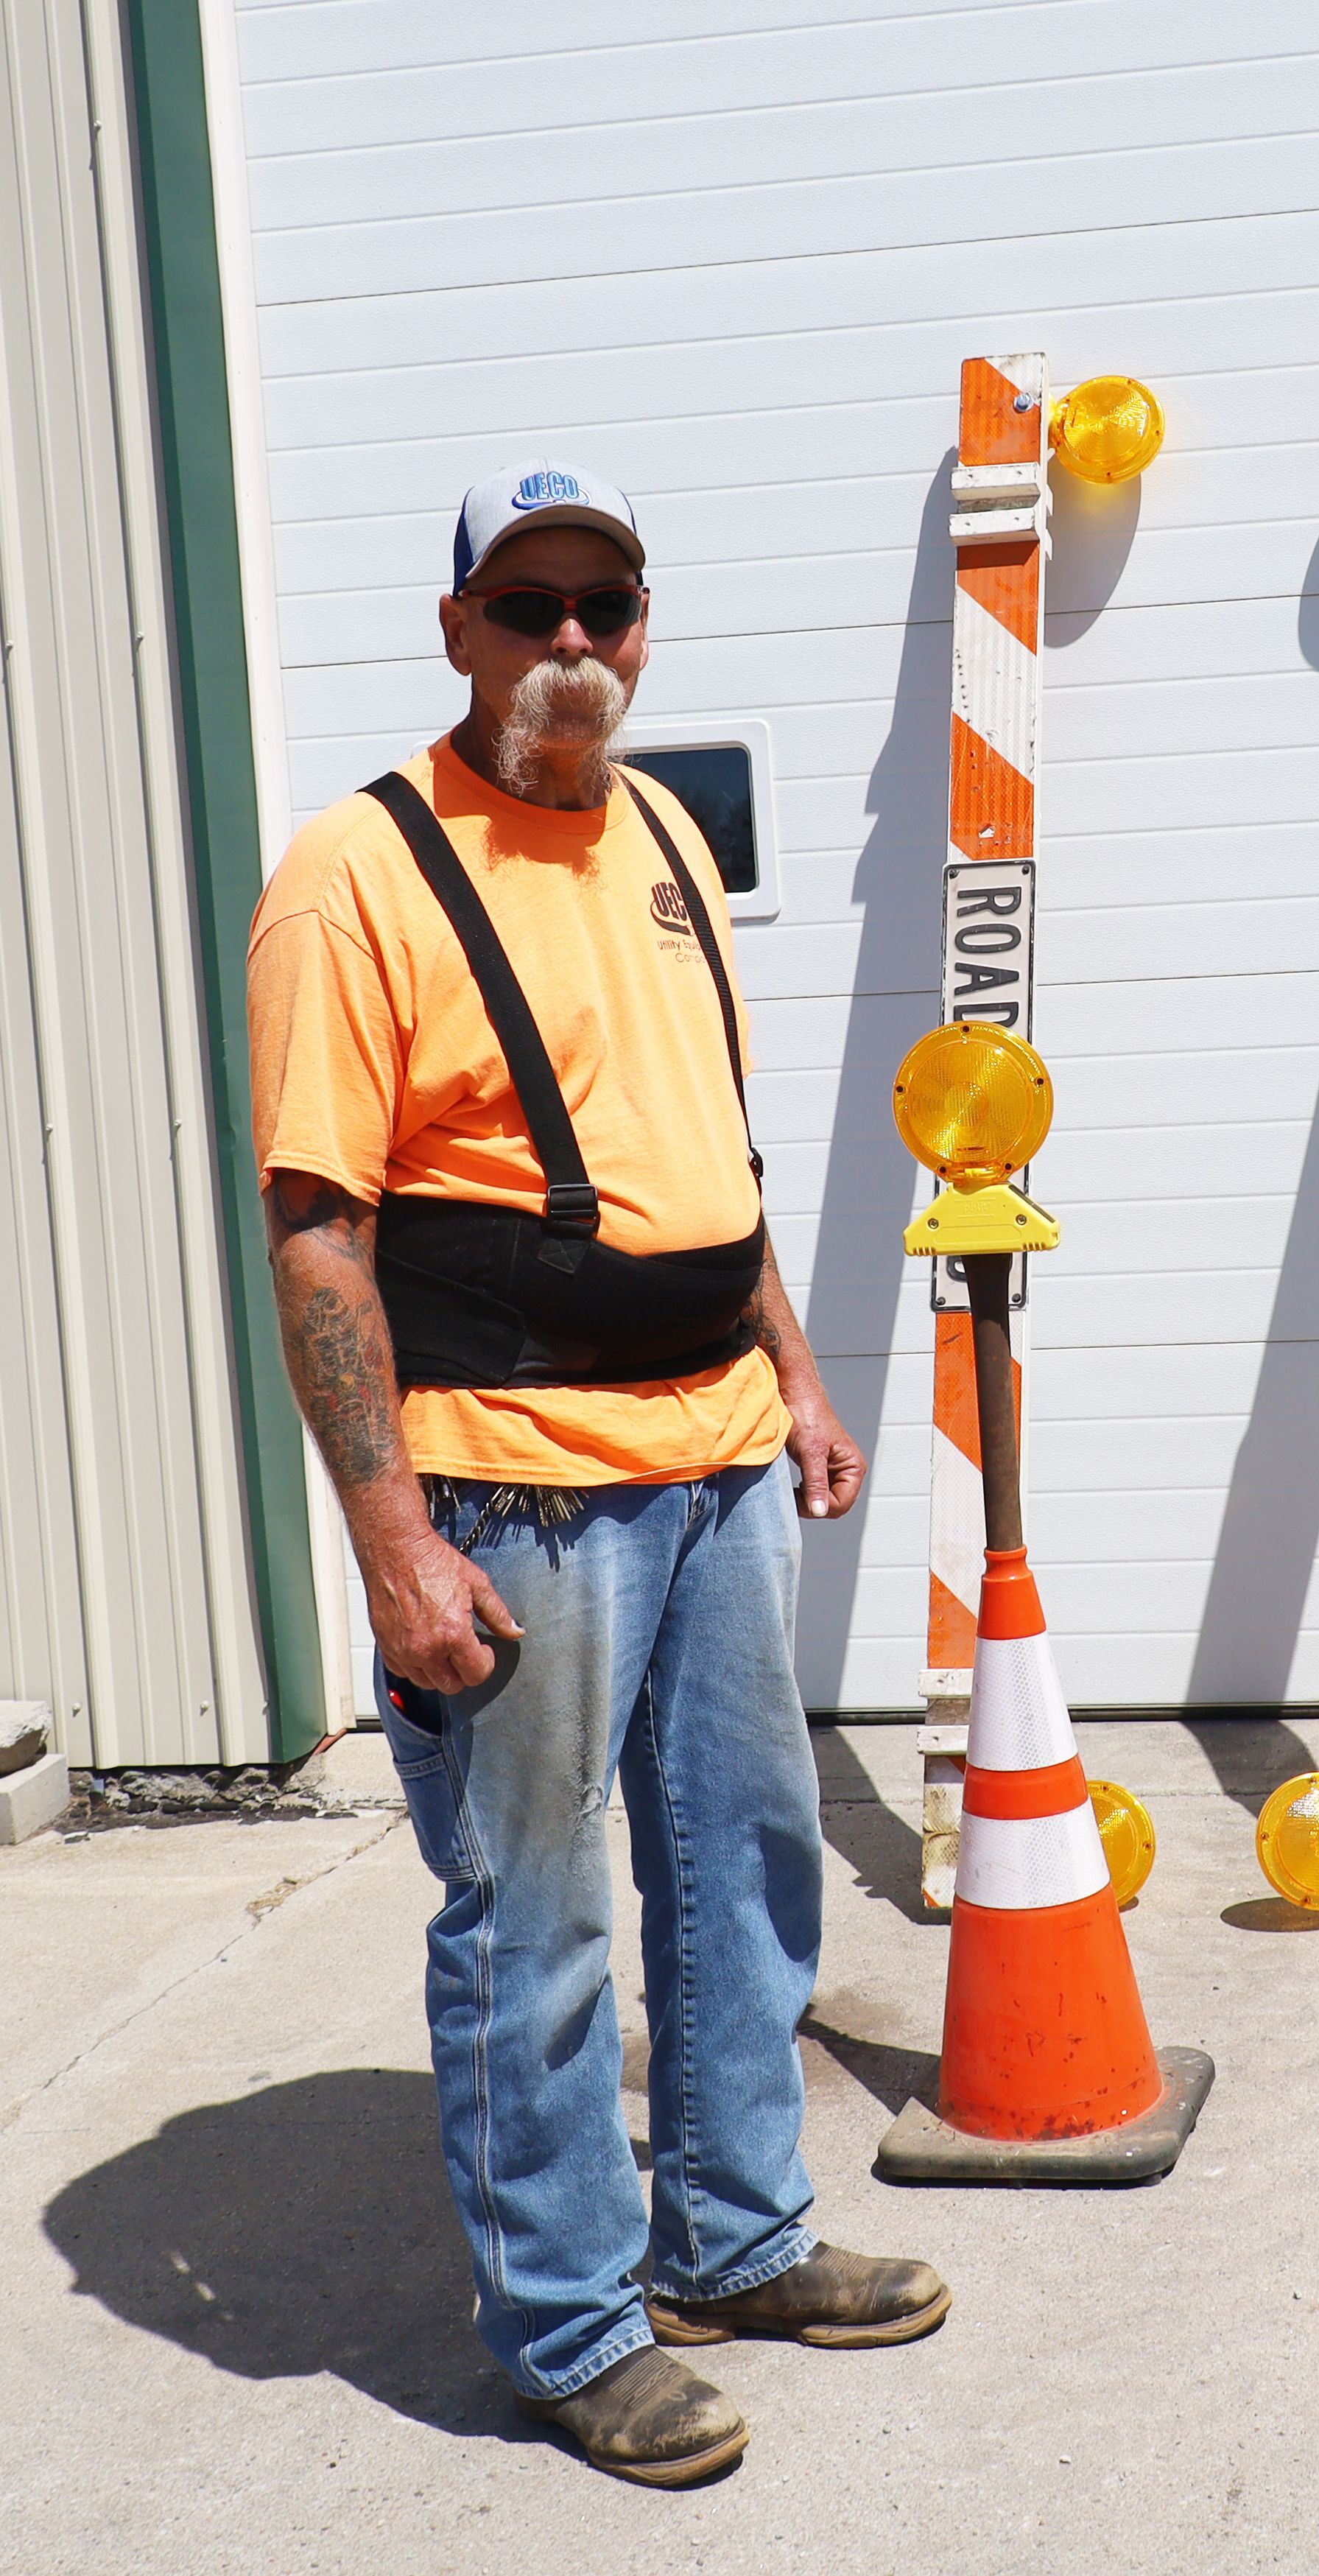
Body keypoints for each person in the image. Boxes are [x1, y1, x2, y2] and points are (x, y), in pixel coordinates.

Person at [246, 462, 944, 2488]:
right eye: (529, 606)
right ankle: (566, 2323)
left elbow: (696, 1150)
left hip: (717, 1452)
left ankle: (735, 2235)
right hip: (510, 1481)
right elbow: (314, 1229)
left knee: (743, 1865)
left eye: (604, 610)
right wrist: (389, 1534)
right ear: (457, 625)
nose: (571, 645)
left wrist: (794, 1371)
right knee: (533, 1917)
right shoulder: (353, 875)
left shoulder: (655, 832)